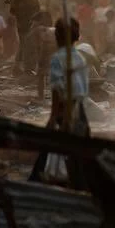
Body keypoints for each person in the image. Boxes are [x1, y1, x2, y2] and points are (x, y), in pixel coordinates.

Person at [46, 17, 90, 189]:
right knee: (79, 157)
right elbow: (82, 92)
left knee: (59, 157)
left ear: (57, 37)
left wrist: (53, 117)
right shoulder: (80, 58)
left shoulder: (58, 59)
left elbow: (57, 91)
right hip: (80, 112)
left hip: (65, 112)